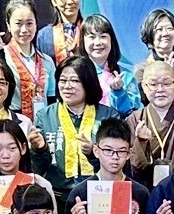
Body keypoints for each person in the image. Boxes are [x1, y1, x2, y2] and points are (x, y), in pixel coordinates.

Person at [65, 118, 152, 214]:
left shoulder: (140, 192)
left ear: (129, 153)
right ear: (96, 151)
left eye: (121, 151)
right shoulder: (80, 192)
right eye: (108, 150)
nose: (115, 157)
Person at [33, 55, 118, 200]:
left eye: (74, 80)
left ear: (88, 83)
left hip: (98, 194)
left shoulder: (109, 116)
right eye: (63, 80)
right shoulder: (44, 116)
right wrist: (39, 150)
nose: (67, 86)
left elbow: (117, 161)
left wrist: (93, 154)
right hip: (57, 196)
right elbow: (38, 169)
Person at [126, 58, 174, 186]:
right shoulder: (134, 119)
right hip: (145, 189)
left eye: (166, 83)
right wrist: (141, 142)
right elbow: (130, 167)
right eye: (153, 84)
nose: (160, 89)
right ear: (144, 86)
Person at [0, 0, 55, 119]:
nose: (24, 30)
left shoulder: (47, 61)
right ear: (8, 25)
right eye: (18, 24)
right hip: (11, 122)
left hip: (41, 124)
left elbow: (52, 99)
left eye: (29, 23)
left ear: (36, 24)